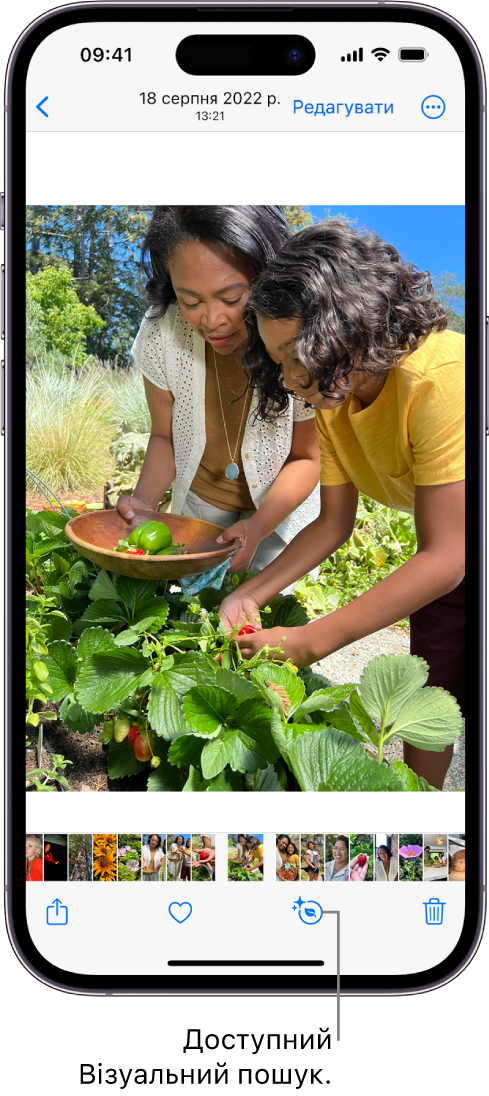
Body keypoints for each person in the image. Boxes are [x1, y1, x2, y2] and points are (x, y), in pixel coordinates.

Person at [220, 220, 465, 788]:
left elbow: (447, 555)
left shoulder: (444, 375)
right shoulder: (334, 398)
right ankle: (420, 826)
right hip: (460, 552)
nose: (288, 376)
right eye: (277, 359)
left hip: (458, 549)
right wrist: (249, 593)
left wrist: (313, 638)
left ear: (349, 321)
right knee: (431, 703)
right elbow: (333, 523)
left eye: (296, 353)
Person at [117, 206, 321, 582]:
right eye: (190, 301)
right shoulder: (162, 332)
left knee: (264, 618)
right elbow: (165, 437)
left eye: (231, 299)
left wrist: (259, 525)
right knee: (193, 610)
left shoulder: (298, 339)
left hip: (280, 512)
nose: (211, 320)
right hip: (200, 502)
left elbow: (306, 458)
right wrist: (144, 502)